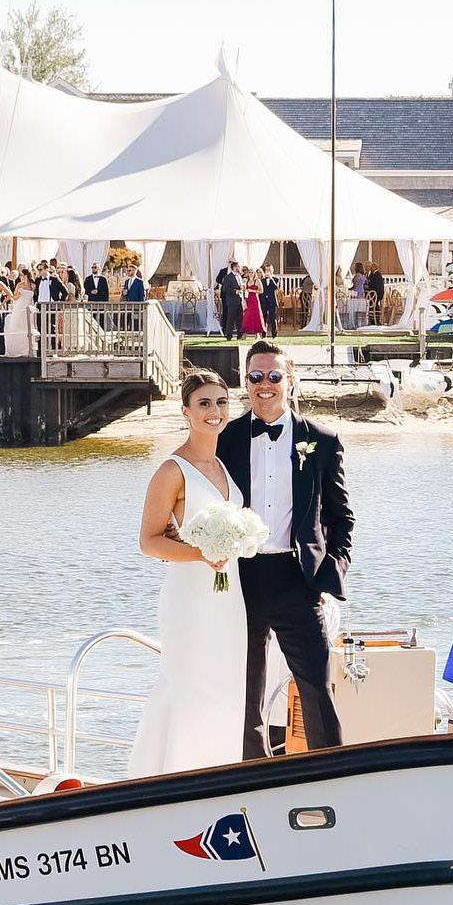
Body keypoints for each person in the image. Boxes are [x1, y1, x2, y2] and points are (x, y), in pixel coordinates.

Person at [215, 339, 355, 759]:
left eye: (274, 376)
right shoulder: (225, 438)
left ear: (290, 380)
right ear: (245, 382)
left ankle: (330, 774)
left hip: (298, 578)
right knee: (247, 688)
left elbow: (342, 518)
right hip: (242, 577)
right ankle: (252, 775)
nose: (265, 384)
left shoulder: (322, 440)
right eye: (256, 376)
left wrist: (329, 573)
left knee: (316, 685)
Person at [128, 368, 245, 774]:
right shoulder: (172, 470)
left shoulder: (222, 466)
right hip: (190, 599)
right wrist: (201, 554)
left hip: (229, 598)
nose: (215, 411)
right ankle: (169, 775)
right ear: (186, 411)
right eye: (204, 403)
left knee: (226, 685)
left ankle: (219, 773)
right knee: (189, 685)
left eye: (221, 402)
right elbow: (148, 541)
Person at [3, 267, 36, 358]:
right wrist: (19, 294)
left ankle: (27, 349)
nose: (20, 277)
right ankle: (15, 350)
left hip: (28, 308)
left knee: (27, 327)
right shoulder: (19, 285)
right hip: (19, 307)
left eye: (22, 275)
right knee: (16, 326)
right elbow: (14, 297)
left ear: (26, 275)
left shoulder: (32, 285)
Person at [216, 259, 244, 340]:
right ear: (234, 268)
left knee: (240, 319)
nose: (239, 268)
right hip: (231, 301)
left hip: (239, 300)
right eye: (237, 267)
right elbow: (226, 289)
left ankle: (239, 335)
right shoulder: (228, 277)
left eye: (239, 267)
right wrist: (235, 291)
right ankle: (229, 335)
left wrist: (242, 289)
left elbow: (240, 286)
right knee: (230, 319)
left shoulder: (239, 276)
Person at [241, 270, 265, 337]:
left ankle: (257, 333)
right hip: (248, 300)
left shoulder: (257, 281)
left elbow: (261, 291)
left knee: (256, 315)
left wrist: (252, 290)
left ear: (254, 273)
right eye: (249, 272)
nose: (250, 274)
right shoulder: (246, 281)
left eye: (252, 272)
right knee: (247, 316)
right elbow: (245, 291)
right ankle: (245, 333)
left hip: (254, 300)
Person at [259, 268, 279, 338]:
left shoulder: (275, 279)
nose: (267, 272)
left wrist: (271, 279)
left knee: (272, 318)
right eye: (266, 271)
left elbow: (275, 287)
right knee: (264, 318)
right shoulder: (262, 280)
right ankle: (264, 334)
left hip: (272, 301)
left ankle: (274, 334)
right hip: (264, 301)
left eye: (268, 271)